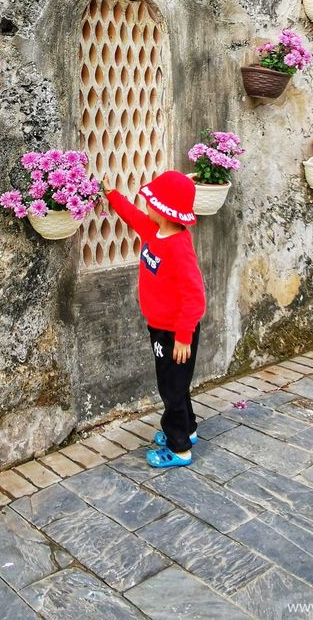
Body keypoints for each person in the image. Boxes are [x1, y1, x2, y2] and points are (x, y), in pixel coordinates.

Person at [102, 171, 206, 467]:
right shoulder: (155, 231)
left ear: (162, 209)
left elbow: (194, 295)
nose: (145, 205)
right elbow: (132, 216)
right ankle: (188, 429)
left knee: (170, 388)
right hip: (161, 328)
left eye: (150, 201)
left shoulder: (179, 247)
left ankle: (179, 448)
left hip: (176, 333)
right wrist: (111, 194)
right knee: (178, 383)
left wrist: (184, 335)